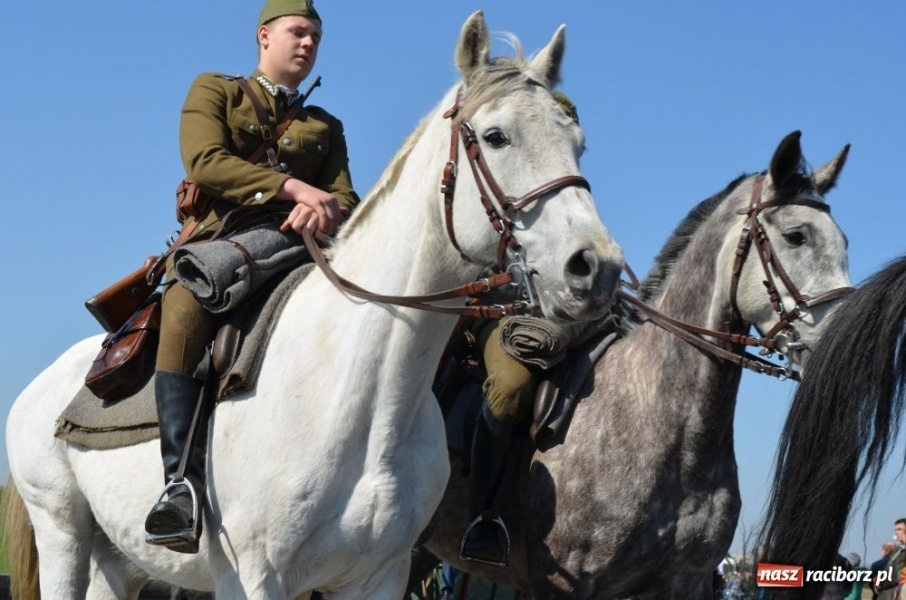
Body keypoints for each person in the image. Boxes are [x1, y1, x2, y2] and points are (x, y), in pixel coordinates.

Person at [143, 0, 359, 553]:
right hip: (221, 240)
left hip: (299, 250)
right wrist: (292, 189)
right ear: (265, 35)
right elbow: (205, 160)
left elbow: (345, 198)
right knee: (187, 303)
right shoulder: (216, 90)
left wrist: (323, 209)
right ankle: (179, 486)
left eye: (316, 36)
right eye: (298, 32)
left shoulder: (325, 125)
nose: (308, 43)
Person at [457, 92, 582, 567]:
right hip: (491, 314)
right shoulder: (492, 182)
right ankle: (483, 516)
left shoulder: (563, 195)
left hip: (556, 319)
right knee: (511, 386)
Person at [877, 519, 906, 600]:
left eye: (900, 529)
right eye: (895, 530)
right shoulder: (898, 550)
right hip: (885, 593)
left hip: (895, 594)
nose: (896, 532)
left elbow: (898, 575)